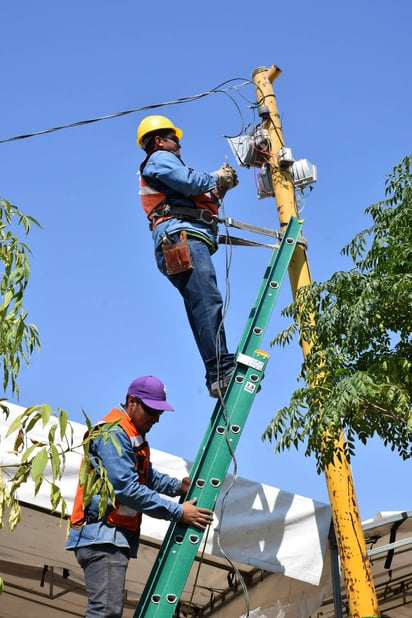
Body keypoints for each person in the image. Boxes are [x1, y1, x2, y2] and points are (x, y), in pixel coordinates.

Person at [66, 374, 214, 618]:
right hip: (102, 536)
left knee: (107, 611)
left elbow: (146, 476)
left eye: (160, 414)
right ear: (132, 401)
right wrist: (178, 512)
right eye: (152, 411)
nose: (156, 419)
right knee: (105, 612)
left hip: (110, 536)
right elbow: (127, 489)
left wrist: (178, 487)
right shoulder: (113, 433)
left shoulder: (130, 434)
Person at [137, 115, 239, 397]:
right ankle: (221, 370)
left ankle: (216, 372)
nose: (179, 146)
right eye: (175, 140)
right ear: (159, 140)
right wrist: (215, 177)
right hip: (181, 237)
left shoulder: (164, 165)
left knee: (201, 306)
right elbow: (189, 181)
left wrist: (217, 190)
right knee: (207, 302)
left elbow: (196, 195)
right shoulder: (159, 158)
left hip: (181, 237)